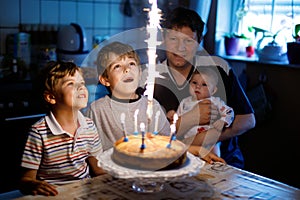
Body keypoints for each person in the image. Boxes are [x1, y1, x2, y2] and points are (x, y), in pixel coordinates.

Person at [141, 7, 255, 168]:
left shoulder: (217, 68)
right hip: (175, 162)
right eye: (174, 39)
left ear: (198, 42)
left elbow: (248, 120)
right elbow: (148, 137)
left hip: (225, 162)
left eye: (188, 41)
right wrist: (188, 121)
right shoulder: (151, 78)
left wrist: (206, 138)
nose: (180, 48)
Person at [19, 61, 105, 196]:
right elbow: (25, 180)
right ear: (51, 97)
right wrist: (32, 184)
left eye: (82, 83)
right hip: (54, 195)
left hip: (83, 193)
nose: (81, 87)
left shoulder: (89, 126)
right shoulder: (39, 132)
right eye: (71, 84)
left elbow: (98, 169)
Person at [85, 41, 171, 152]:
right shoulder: (97, 110)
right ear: (105, 80)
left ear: (140, 72)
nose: (127, 69)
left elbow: (166, 142)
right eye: (117, 66)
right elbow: (88, 150)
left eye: (131, 63)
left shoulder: (152, 105)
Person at [177, 68, 234, 157]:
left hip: (210, 142)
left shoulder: (215, 102)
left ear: (213, 90)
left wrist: (223, 121)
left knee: (213, 158)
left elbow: (229, 112)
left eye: (204, 84)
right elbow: (179, 119)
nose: (197, 87)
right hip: (190, 141)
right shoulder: (184, 102)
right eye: (194, 83)